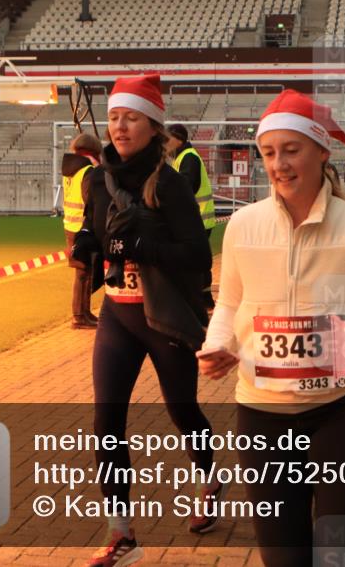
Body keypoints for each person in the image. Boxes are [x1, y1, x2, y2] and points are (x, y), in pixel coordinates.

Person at [196, 88, 345, 567]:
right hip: (262, 418)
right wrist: (216, 346)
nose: (279, 164)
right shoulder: (243, 226)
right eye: (269, 153)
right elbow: (229, 302)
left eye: (291, 150)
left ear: (320, 152)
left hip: (343, 415)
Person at [69, 74, 221, 567]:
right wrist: (89, 248)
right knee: (105, 422)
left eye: (131, 117)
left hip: (163, 317)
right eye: (114, 117)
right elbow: (96, 236)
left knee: (183, 412)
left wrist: (143, 248)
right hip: (117, 314)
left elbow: (199, 255)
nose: (120, 126)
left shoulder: (170, 181)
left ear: (154, 126)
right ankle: (122, 533)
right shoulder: (96, 180)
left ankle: (208, 477)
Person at [61, 132, 102, 329]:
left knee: (85, 270)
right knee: (83, 272)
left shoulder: (71, 168)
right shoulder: (88, 169)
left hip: (71, 224)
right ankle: (79, 315)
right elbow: (90, 199)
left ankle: (85, 312)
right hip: (83, 226)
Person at [166, 123, 216, 236]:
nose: (165, 143)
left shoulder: (189, 157)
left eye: (168, 139)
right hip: (194, 221)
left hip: (197, 222)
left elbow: (184, 188)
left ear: (179, 140)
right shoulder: (180, 158)